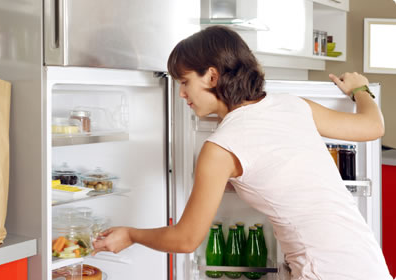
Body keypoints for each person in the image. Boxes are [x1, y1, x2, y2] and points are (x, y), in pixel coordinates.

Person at [92, 26, 392, 279]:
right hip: (366, 260)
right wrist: (360, 90)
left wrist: (131, 234)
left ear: (211, 77)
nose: (181, 93)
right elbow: (371, 126)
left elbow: (185, 239)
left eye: (184, 82)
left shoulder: (221, 148)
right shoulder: (292, 105)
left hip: (324, 271)